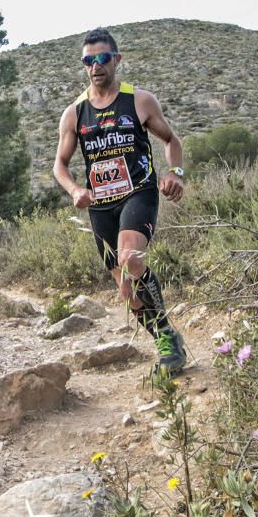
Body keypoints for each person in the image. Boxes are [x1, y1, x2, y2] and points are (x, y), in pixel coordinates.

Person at [53, 27, 187, 374]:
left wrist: (175, 173)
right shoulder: (74, 113)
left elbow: (172, 141)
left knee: (130, 257)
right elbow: (60, 166)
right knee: (126, 290)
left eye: (102, 58)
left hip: (138, 192)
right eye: (88, 60)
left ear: (116, 60)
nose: (96, 66)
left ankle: (169, 346)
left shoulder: (139, 100)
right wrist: (74, 191)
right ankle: (165, 335)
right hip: (100, 206)